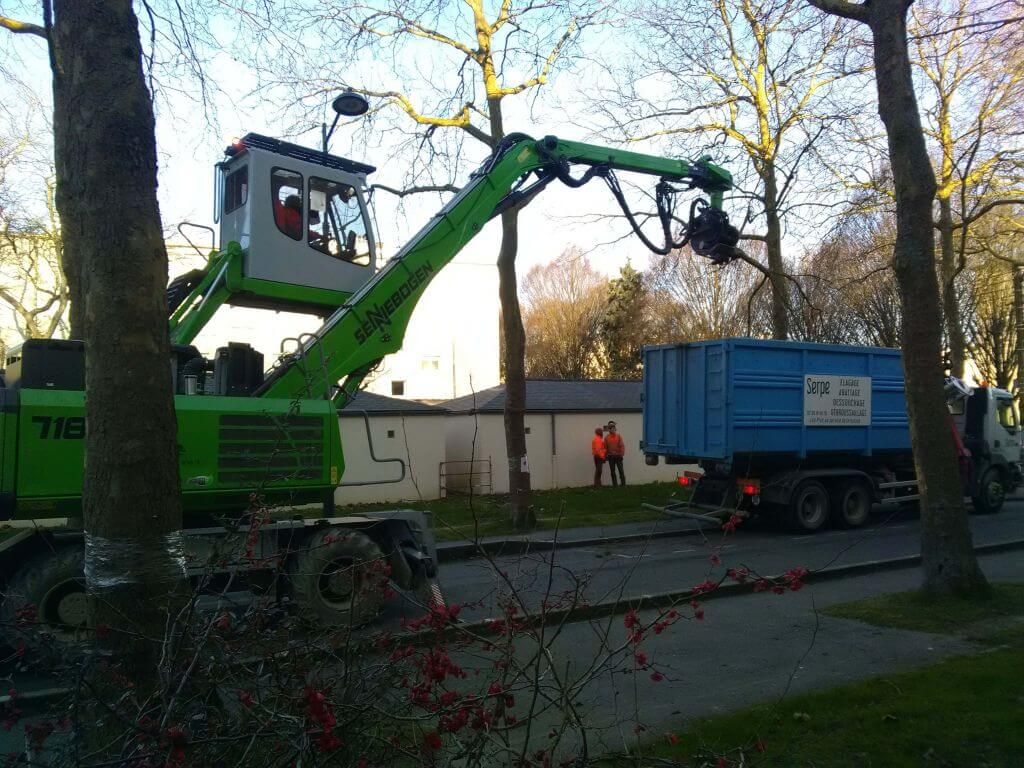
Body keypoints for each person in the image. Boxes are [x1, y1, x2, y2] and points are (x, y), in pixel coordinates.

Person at [605, 421, 626, 487]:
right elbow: (605, 448)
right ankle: (615, 485)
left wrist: (621, 454)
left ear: (615, 429)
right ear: (609, 429)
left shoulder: (618, 436)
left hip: (618, 456)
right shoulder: (606, 438)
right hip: (611, 457)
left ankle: (623, 484)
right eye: (610, 428)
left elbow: (622, 446)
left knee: (621, 471)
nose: (612, 429)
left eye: (613, 428)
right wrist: (606, 455)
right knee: (612, 472)